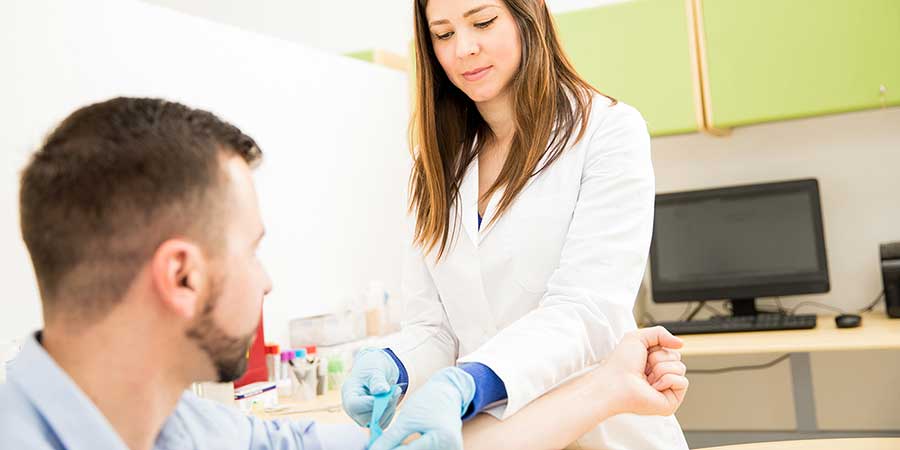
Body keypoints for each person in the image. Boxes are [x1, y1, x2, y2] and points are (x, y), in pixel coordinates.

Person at [0, 97, 687, 450]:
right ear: (180, 277)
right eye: (253, 248)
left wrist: (605, 387)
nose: (267, 282)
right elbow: (435, 323)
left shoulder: (193, 430)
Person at [343, 1, 690, 449]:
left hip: (602, 433)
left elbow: (586, 311)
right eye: (443, 34)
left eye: (483, 22)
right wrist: (394, 363)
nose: (464, 49)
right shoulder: (434, 166)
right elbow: (434, 328)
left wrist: (471, 382)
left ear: (528, 17)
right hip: (498, 436)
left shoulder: (607, 131)